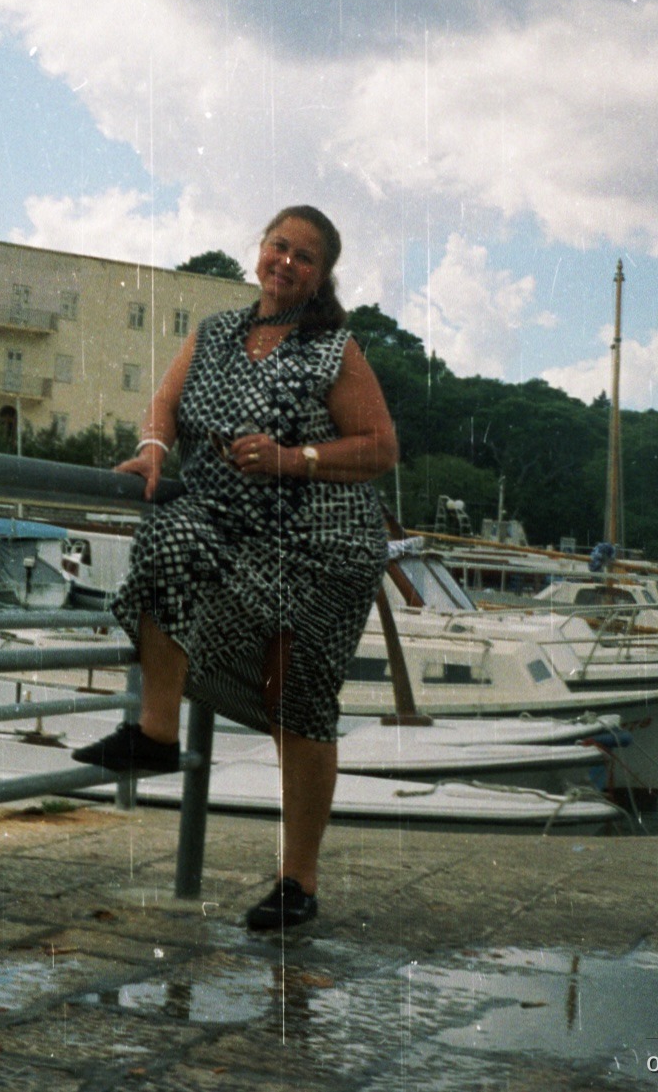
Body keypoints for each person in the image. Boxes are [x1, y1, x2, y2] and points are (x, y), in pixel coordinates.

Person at [73, 205, 399, 932]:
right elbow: (165, 402)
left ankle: (298, 882)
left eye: (305, 256)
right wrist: (155, 447)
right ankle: (157, 733)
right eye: (278, 245)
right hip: (233, 529)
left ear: (320, 277)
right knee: (164, 538)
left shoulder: (333, 347)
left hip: (323, 546)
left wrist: (294, 457)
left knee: (297, 703)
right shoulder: (215, 331)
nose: (286, 261)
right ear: (259, 250)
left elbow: (379, 446)